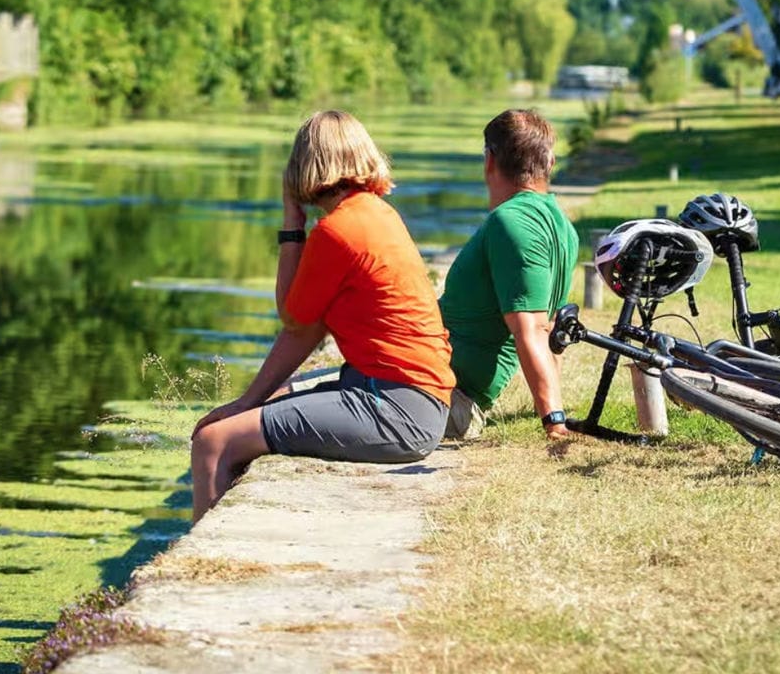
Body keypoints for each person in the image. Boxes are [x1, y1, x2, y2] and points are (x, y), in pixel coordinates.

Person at [190, 110, 455, 523]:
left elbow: (291, 318)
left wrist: (292, 223)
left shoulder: (337, 231)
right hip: (417, 402)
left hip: (394, 411)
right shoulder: (377, 212)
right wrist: (249, 401)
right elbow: (307, 329)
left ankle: (198, 578)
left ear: (304, 165)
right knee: (259, 408)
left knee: (213, 442)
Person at [439, 109, 579, 442]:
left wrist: (555, 424)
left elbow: (530, 329)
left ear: (489, 160)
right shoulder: (562, 226)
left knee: (296, 400)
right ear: (551, 163)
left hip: (443, 398)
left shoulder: (512, 223)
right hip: (431, 382)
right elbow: (550, 329)